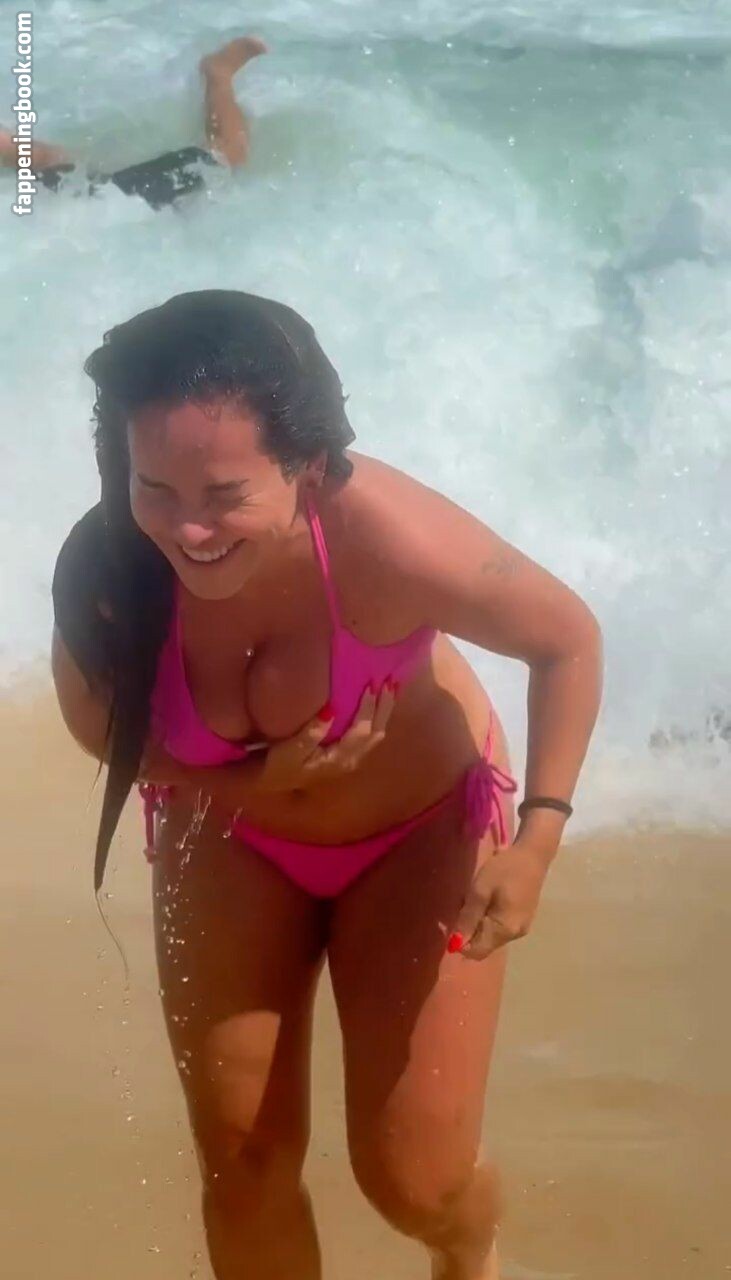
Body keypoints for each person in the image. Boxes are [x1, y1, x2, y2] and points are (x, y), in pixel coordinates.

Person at [51, 289, 603, 1280]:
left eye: (224, 493)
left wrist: (537, 840)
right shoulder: (111, 572)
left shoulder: (384, 539)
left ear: (306, 464)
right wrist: (250, 784)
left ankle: (467, 1247)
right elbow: (96, 724)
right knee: (241, 1163)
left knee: (413, 1180)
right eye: (154, 487)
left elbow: (565, 639)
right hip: (230, 835)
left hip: (418, 830)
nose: (188, 527)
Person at [1, 35, 267, 210]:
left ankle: (217, 74)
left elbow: (31, 155)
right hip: (84, 211)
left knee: (228, 157)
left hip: (100, 203)